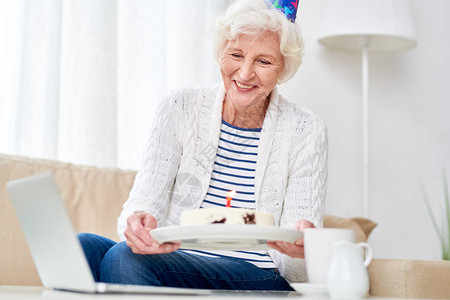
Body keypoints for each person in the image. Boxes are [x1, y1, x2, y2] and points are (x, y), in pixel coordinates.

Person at [79, 0, 327, 291]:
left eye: (263, 61)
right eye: (236, 54)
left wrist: (302, 246)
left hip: (258, 274)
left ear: (283, 67)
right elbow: (145, 200)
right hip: (177, 258)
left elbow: (297, 261)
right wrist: (139, 223)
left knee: (124, 259)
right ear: (221, 52)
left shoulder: (306, 130)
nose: (245, 74)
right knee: (83, 248)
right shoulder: (180, 107)